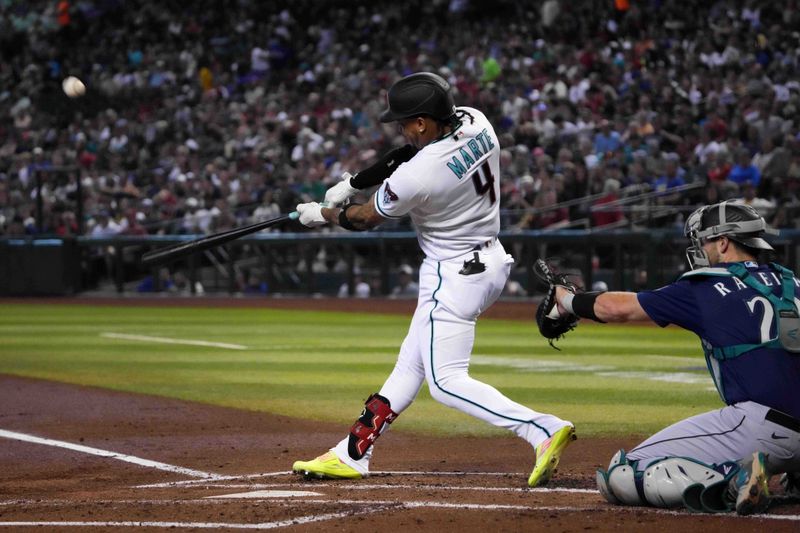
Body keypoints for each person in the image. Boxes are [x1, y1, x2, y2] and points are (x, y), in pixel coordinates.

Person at [292, 72, 575, 486]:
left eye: (405, 121)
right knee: (410, 364)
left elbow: (367, 217)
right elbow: (405, 153)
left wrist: (323, 214)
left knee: (445, 383)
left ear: (423, 121)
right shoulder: (476, 120)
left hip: (455, 273)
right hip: (489, 260)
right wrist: (352, 183)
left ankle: (541, 429)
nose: (402, 128)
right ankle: (352, 453)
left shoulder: (420, 174)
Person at [549, 201, 800, 515]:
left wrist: (566, 300)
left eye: (705, 241)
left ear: (723, 243)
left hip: (762, 426)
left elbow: (617, 308)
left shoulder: (707, 286)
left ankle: (735, 479)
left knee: (625, 472)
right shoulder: (792, 282)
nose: (699, 248)